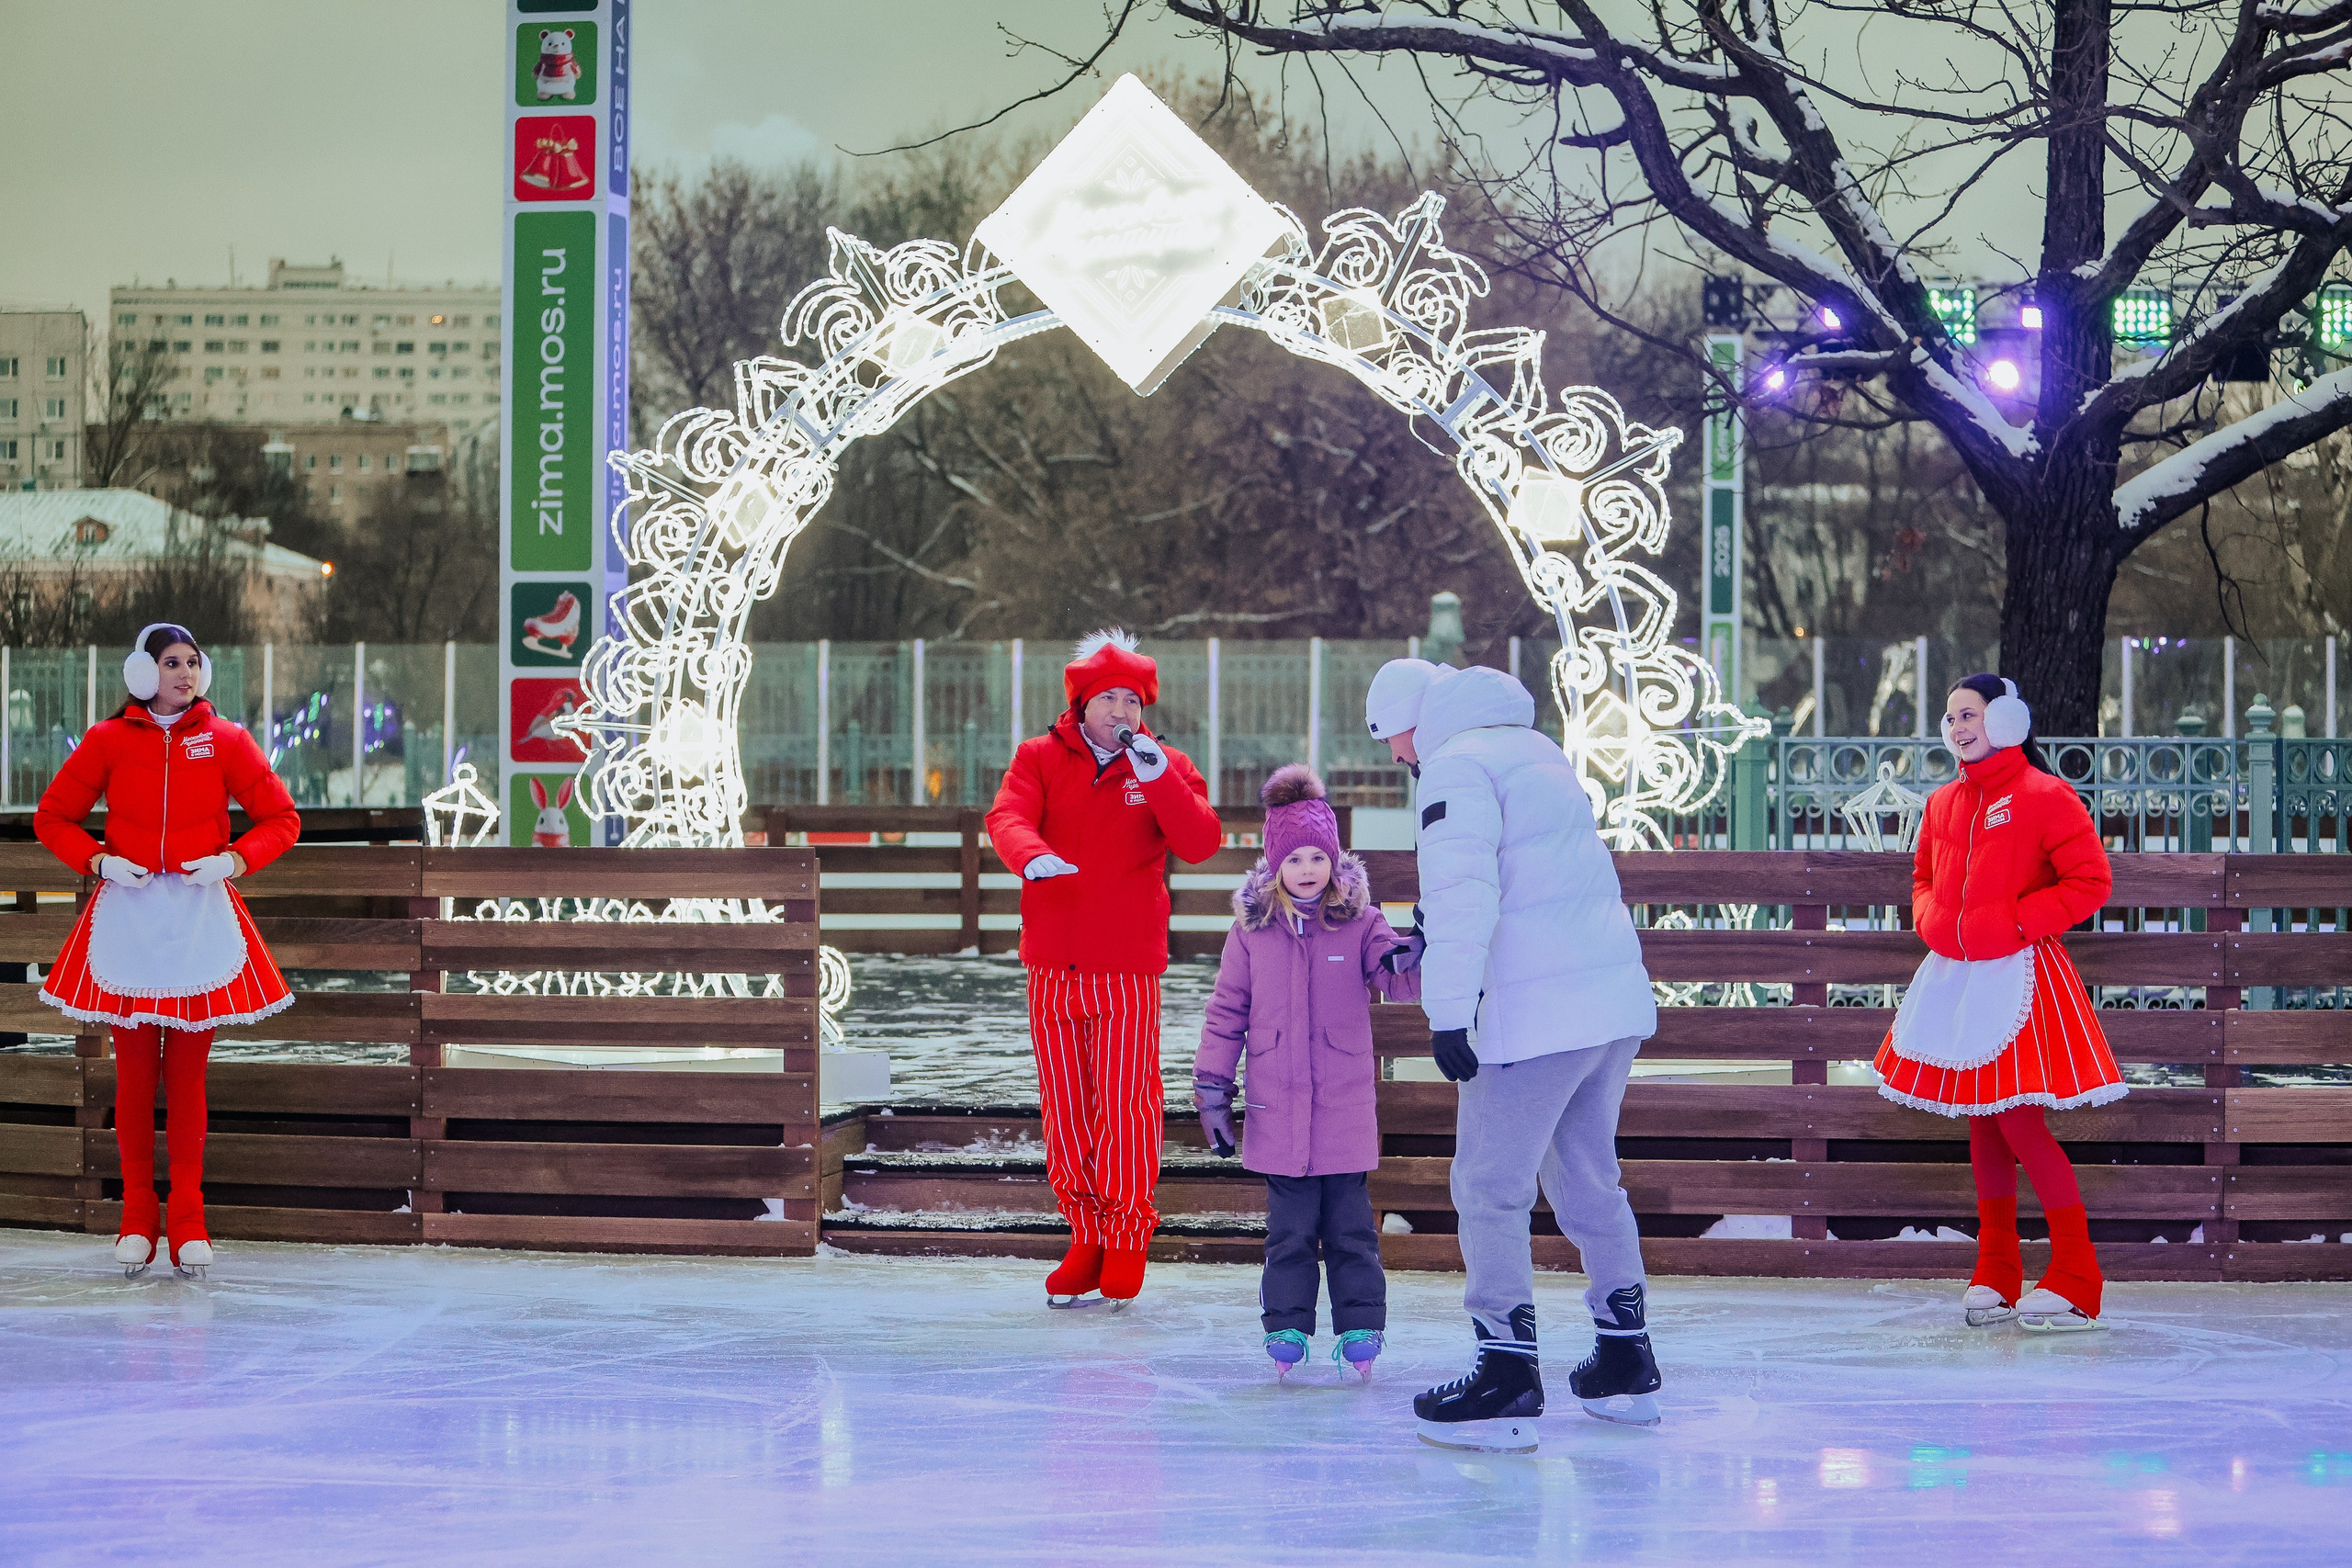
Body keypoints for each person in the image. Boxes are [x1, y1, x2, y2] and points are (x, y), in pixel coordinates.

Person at [1363, 658, 1663, 1452]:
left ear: (1413, 718)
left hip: (1532, 1016)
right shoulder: (1536, 749)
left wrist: (1447, 1013)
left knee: (1488, 1185)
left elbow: (1465, 896)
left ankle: (1505, 1371)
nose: (1397, 756)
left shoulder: (1454, 766)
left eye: (1393, 738)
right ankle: (1626, 1356)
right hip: (1605, 1005)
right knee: (1588, 1177)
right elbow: (1536, 876)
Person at [34, 624, 302, 1280]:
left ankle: (187, 1218)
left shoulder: (227, 740)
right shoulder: (107, 740)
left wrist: (234, 860)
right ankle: (136, 1216)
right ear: (142, 672)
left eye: (192, 662)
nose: (185, 673)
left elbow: (283, 818)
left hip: (197, 920)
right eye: (171, 662)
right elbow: (52, 816)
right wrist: (99, 861)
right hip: (127, 919)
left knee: (186, 1078)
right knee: (133, 1077)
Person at [1875, 674, 2125, 1332]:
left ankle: (2077, 1274)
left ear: (2007, 720)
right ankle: (1996, 1269)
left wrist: (2011, 922)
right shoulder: (1942, 803)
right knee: (1982, 1122)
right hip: (1959, 979)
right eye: (1951, 717)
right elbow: (1922, 878)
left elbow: (2090, 880)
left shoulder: (2046, 795)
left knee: (2016, 1122)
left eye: (1970, 714)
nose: (1958, 727)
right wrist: (1934, 921)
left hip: (2020, 978)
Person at [985, 629, 1222, 1309]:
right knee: (1066, 1107)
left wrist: (1157, 775)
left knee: (1124, 1102)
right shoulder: (1038, 756)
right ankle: (1085, 1232)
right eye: (1109, 699)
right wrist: (1030, 854)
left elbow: (1200, 840)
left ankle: (1125, 1236)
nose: (1122, 711)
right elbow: (1007, 815)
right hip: (1053, 962)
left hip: (1126, 967)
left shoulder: (1165, 764)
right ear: (1082, 705)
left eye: (1133, 701)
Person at [1193, 764, 1423, 1380]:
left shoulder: (1361, 922)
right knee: (1290, 1234)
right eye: (1294, 858)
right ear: (1274, 864)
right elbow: (1226, 1012)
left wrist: (1417, 952)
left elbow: (1398, 980)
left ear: (1334, 861)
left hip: (1343, 1110)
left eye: (1318, 857)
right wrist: (1213, 1090)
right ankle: (1287, 1327)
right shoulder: (1252, 932)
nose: (1307, 869)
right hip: (1278, 1109)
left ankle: (1361, 1329)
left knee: (1351, 1233)